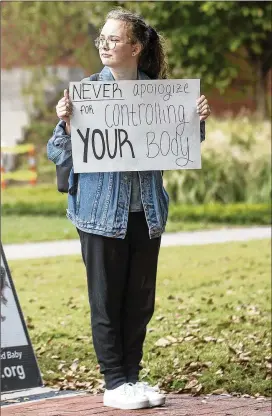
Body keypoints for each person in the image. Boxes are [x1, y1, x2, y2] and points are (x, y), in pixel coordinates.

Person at [47, 8, 211, 411]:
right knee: (106, 300)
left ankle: (133, 379)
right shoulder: (84, 92)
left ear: (135, 47)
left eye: (113, 39)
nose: (104, 45)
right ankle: (114, 382)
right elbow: (56, 150)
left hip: (147, 213)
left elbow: (180, 144)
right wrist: (67, 125)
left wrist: (197, 120)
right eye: (101, 39)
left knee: (140, 302)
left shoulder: (161, 94)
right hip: (100, 214)